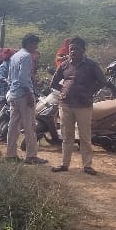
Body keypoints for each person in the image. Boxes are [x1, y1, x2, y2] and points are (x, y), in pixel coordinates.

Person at [48, 37, 105, 175]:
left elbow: (102, 81)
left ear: (83, 50)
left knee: (85, 137)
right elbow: (53, 83)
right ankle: (64, 164)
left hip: (83, 105)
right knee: (67, 137)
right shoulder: (64, 65)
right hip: (66, 104)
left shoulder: (91, 65)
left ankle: (87, 166)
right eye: (71, 49)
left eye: (76, 49)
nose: (73, 51)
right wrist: (64, 90)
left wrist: (90, 91)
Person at [4, 33, 46, 164]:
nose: (36, 47)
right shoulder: (27, 56)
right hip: (23, 95)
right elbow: (23, 78)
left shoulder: (15, 56)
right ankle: (31, 156)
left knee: (13, 126)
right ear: (29, 44)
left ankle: (11, 154)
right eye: (35, 44)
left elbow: (10, 77)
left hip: (13, 94)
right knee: (30, 126)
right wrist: (29, 94)